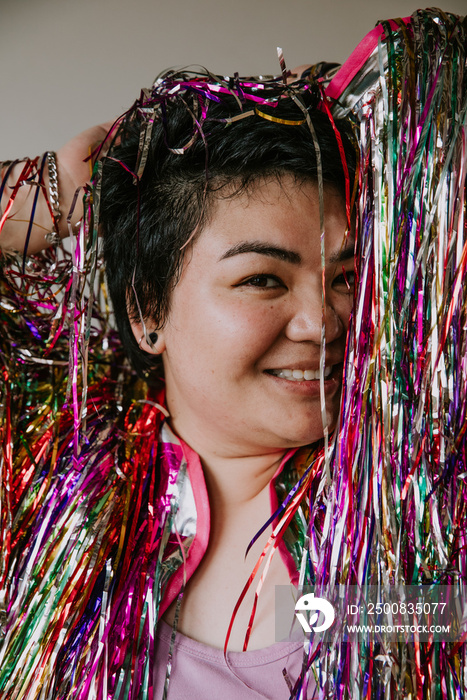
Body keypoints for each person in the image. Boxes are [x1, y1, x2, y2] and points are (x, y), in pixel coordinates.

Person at [0, 8, 466, 700]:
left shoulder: (411, 498)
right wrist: (45, 196)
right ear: (146, 309)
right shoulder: (52, 471)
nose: (321, 321)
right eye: (262, 280)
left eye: (345, 278)